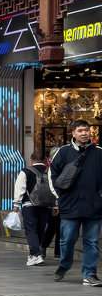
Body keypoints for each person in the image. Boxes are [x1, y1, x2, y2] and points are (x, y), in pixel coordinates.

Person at [50, 120, 101, 286]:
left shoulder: (99, 152)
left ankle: (89, 274)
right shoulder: (63, 152)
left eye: (87, 130)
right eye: (80, 130)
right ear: (73, 133)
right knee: (67, 240)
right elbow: (52, 174)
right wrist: (60, 196)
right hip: (70, 205)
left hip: (94, 206)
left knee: (92, 242)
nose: (84, 133)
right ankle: (64, 264)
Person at [13, 152, 57, 267]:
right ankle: (35, 254)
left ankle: (36, 254)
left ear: (32, 160)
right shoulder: (50, 172)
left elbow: (19, 189)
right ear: (45, 160)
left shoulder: (25, 171)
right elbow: (54, 189)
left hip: (29, 205)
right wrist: (55, 206)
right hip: (46, 206)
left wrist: (16, 205)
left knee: (31, 230)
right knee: (40, 230)